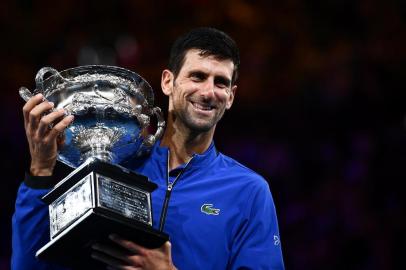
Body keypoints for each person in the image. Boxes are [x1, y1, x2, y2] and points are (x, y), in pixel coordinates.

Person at [12, 27, 284, 269]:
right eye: (197, 76)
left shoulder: (248, 192)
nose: (208, 91)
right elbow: (28, 265)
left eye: (221, 82)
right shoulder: (112, 166)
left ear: (231, 97)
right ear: (168, 81)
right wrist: (40, 169)